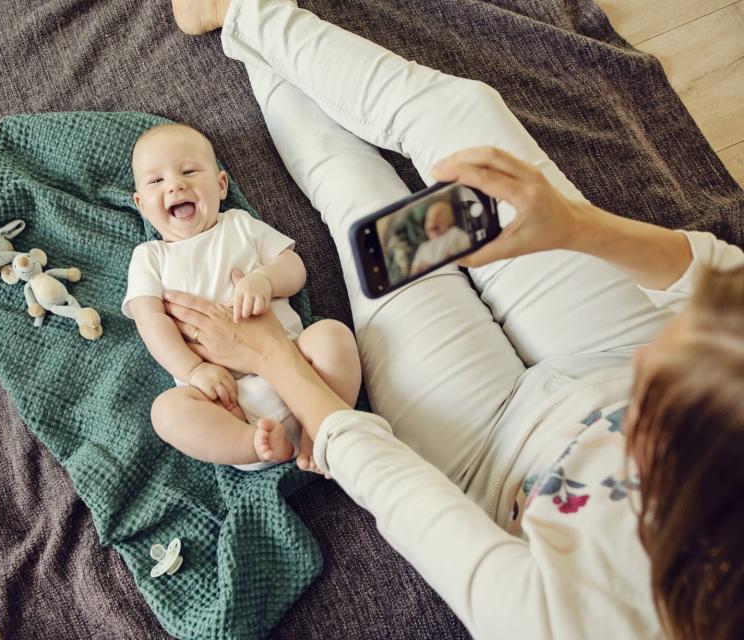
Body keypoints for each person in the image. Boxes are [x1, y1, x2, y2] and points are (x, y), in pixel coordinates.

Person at [164, 0, 744, 638]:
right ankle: (248, 11)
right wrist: (578, 227)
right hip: (614, 350)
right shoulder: (687, 400)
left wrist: (273, 355)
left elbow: (399, 493)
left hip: (485, 452)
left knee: (360, 203)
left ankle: (241, 31)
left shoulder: (568, 624)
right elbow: (727, 288)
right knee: (468, 119)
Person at [123, 122, 361, 473]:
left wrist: (264, 280)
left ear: (221, 186)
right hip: (224, 398)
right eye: (156, 181)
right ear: (141, 205)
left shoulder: (239, 225)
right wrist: (194, 369)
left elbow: (293, 267)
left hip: (298, 362)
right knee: (166, 411)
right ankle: (253, 445)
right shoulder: (150, 257)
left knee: (332, 336)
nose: (175, 184)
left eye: (189, 171)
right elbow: (150, 321)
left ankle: (317, 429)